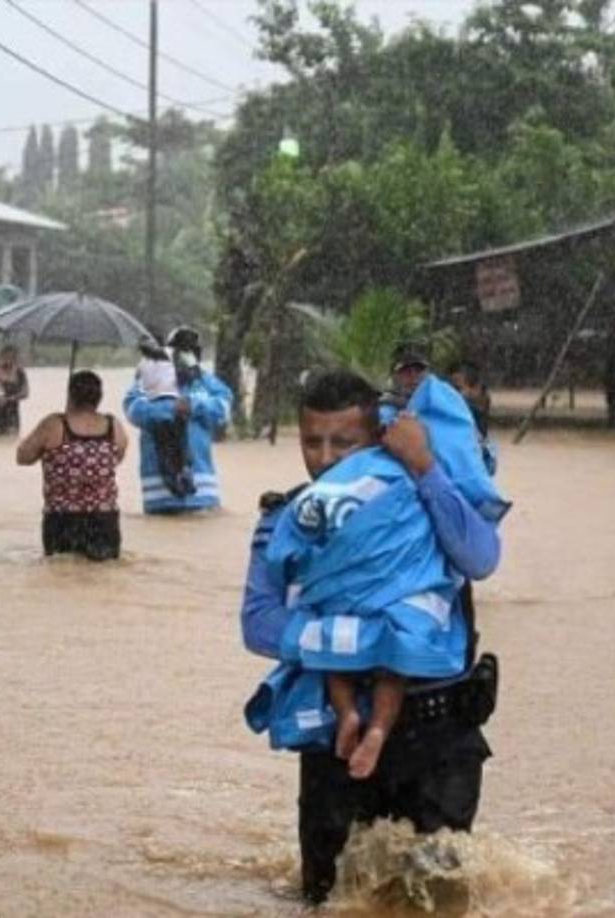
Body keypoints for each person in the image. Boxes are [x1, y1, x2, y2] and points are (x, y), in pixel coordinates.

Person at [241, 369, 504, 905]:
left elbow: (480, 558)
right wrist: (364, 639)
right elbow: (259, 622)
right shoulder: (289, 519)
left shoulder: (423, 498)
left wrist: (426, 467)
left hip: (437, 737)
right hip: (335, 741)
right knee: (328, 896)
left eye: (344, 442)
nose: (327, 459)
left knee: (439, 896)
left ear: (378, 439)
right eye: (312, 442)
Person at [16, 370, 128, 561]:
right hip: (105, 520)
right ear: (99, 398)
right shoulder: (114, 426)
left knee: (62, 577)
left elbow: (22, 457)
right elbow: (117, 458)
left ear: (70, 395)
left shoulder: (53, 424)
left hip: (62, 520)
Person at [123, 326, 233, 514]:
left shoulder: (205, 381)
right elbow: (133, 409)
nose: (187, 355)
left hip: (202, 490)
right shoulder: (149, 378)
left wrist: (193, 405)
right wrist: (170, 409)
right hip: (159, 493)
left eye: (192, 349)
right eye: (181, 349)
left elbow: (224, 409)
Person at [135, 336, 194, 498]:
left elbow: (138, 386)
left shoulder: (142, 364)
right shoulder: (172, 354)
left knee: (162, 449)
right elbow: (188, 374)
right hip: (175, 406)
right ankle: (186, 474)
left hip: (154, 409)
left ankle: (171, 481)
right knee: (182, 444)